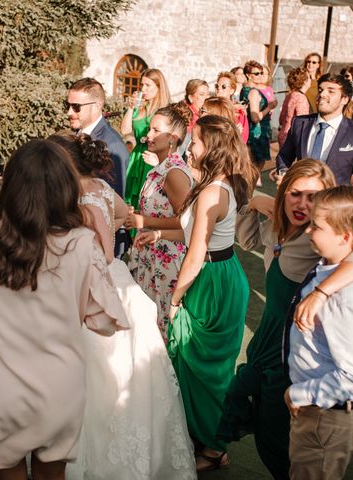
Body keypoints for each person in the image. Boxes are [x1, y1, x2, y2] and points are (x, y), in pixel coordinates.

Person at [0, 138, 127, 480]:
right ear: (66, 187)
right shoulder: (81, 243)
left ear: (12, 184)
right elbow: (103, 321)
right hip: (59, 383)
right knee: (53, 474)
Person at [217, 159, 353, 479]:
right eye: (295, 194)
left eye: (313, 197)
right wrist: (254, 203)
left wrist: (323, 291)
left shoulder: (324, 241)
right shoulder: (281, 224)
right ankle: (216, 451)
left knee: (277, 438)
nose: (303, 204)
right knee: (247, 402)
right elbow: (248, 241)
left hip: (292, 349)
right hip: (268, 338)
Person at [45, 133, 197, 480]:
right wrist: (107, 232)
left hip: (80, 284)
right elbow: (125, 214)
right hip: (115, 277)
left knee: (87, 370)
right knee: (125, 368)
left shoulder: (60, 194)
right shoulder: (99, 187)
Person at [136, 115, 256, 472]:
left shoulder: (212, 192)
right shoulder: (214, 184)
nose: (190, 148)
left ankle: (214, 446)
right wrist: (158, 235)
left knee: (202, 364)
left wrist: (174, 301)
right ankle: (199, 435)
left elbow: (197, 252)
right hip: (218, 272)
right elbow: (191, 236)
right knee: (191, 361)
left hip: (212, 280)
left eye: (196, 143)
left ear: (212, 149)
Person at [285, 186, 353, 480]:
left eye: (317, 226)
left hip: (328, 415)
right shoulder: (336, 267)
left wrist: (299, 393)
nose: (308, 231)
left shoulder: (349, 299)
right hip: (327, 410)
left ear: (345, 237)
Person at [126, 107, 193, 340]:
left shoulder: (174, 173)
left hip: (167, 260)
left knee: (160, 329)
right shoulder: (158, 169)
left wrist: (142, 220)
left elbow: (187, 222)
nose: (148, 135)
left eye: (156, 130)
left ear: (173, 138)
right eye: (149, 129)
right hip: (151, 255)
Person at [277, 73, 353, 191]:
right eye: (320, 90)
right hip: (300, 200)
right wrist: (284, 175)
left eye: (331, 91)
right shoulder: (300, 123)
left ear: (344, 99)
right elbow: (284, 156)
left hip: (334, 204)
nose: (322, 94)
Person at [67, 77, 130, 257]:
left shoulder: (113, 146)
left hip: (99, 247)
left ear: (96, 106)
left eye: (76, 107)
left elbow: (112, 206)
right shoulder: (77, 135)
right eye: (68, 105)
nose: (69, 112)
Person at [121, 68, 171, 209]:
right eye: (142, 85)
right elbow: (125, 130)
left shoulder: (165, 110)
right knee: (129, 199)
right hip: (136, 157)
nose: (143, 89)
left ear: (159, 87)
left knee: (146, 199)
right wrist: (131, 108)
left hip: (153, 158)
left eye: (148, 85)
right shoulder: (139, 106)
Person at [242, 60, 278, 175]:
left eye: (261, 73)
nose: (260, 76)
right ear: (248, 75)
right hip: (256, 133)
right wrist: (269, 107)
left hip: (251, 131)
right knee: (255, 168)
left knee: (250, 167)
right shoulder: (253, 92)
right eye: (256, 73)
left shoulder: (245, 89)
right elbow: (255, 117)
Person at [278, 67, 311, 148]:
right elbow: (302, 121)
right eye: (310, 77)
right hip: (292, 138)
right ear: (305, 81)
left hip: (283, 134)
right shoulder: (301, 98)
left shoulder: (290, 95)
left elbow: (281, 119)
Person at [215, 72, 249, 143]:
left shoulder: (239, 111)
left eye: (223, 86)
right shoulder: (210, 106)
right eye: (217, 86)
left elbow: (243, 138)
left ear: (232, 90)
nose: (219, 89)